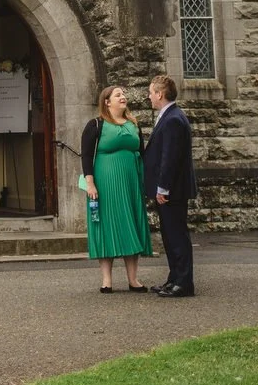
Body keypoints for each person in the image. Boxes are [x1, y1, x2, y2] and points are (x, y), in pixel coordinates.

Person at [81, 86, 153, 293]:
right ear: (106, 102)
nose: (123, 97)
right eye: (118, 95)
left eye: (123, 94)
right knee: (106, 225)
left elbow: (142, 152)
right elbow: (86, 155)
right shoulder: (96, 125)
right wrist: (90, 183)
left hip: (131, 183)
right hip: (106, 183)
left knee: (131, 224)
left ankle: (133, 279)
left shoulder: (133, 124)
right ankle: (106, 280)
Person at [142, 74, 197, 298]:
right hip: (169, 189)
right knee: (169, 234)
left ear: (160, 94)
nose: (149, 96)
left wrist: (162, 188)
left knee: (176, 235)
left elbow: (170, 158)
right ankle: (174, 278)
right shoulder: (169, 116)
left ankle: (183, 283)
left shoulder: (173, 119)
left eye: (151, 92)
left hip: (172, 190)